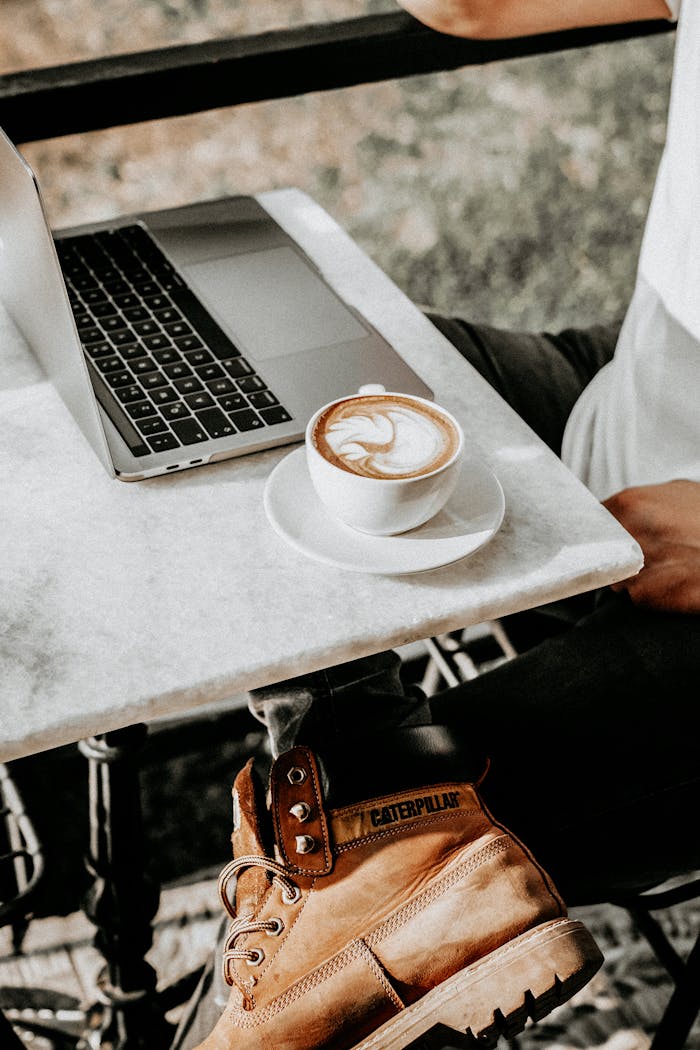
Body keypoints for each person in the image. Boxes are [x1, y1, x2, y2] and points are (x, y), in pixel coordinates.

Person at [181, 0, 699, 1047]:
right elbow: (468, 4)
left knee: (383, 875)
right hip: (622, 401)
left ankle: (355, 867)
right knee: (245, 362)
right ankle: (351, 791)